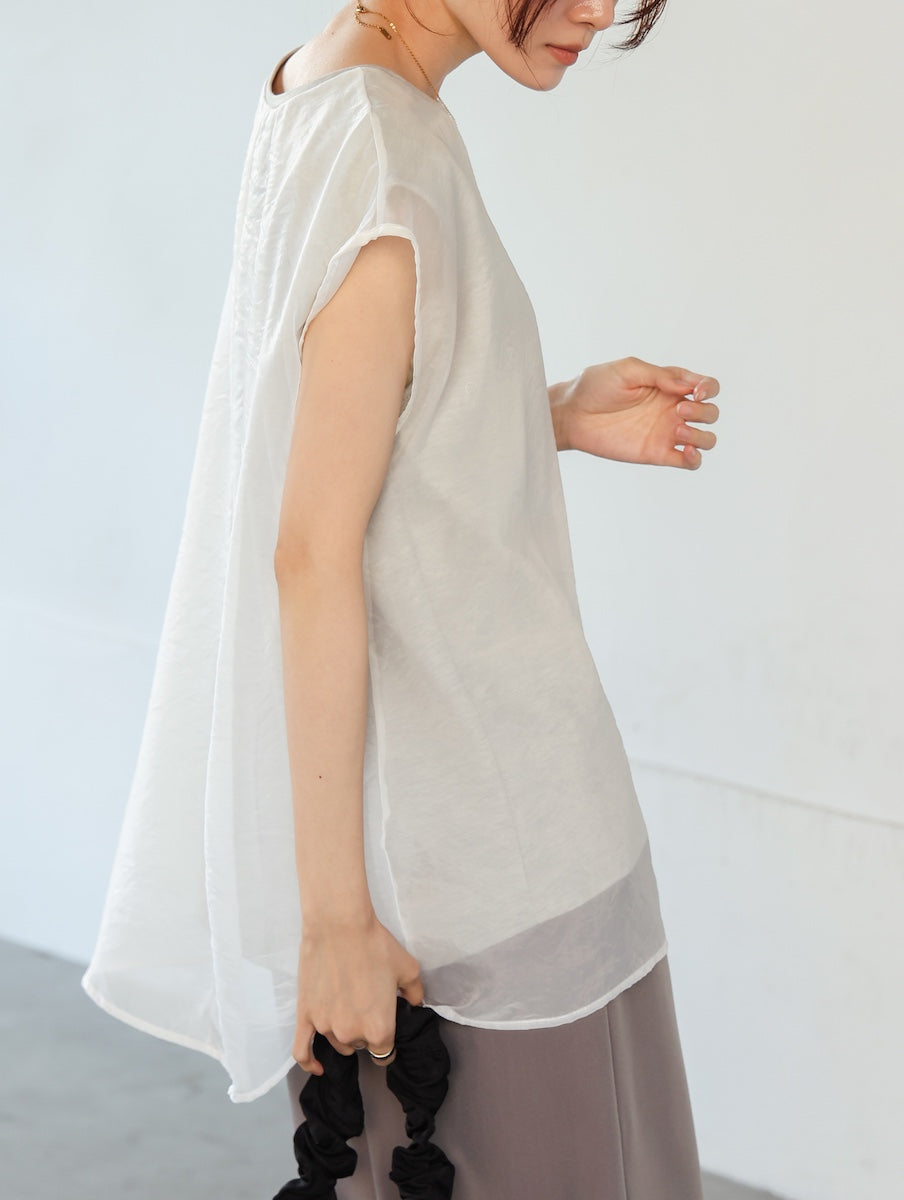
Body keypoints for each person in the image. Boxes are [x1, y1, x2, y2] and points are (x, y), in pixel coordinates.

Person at [81, 2, 720, 1197]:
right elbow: (310, 551)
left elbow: (352, 436)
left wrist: (545, 412)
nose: (596, 11)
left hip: (479, 831)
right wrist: (334, 923)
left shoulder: (323, 87)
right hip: (475, 860)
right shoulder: (386, 151)